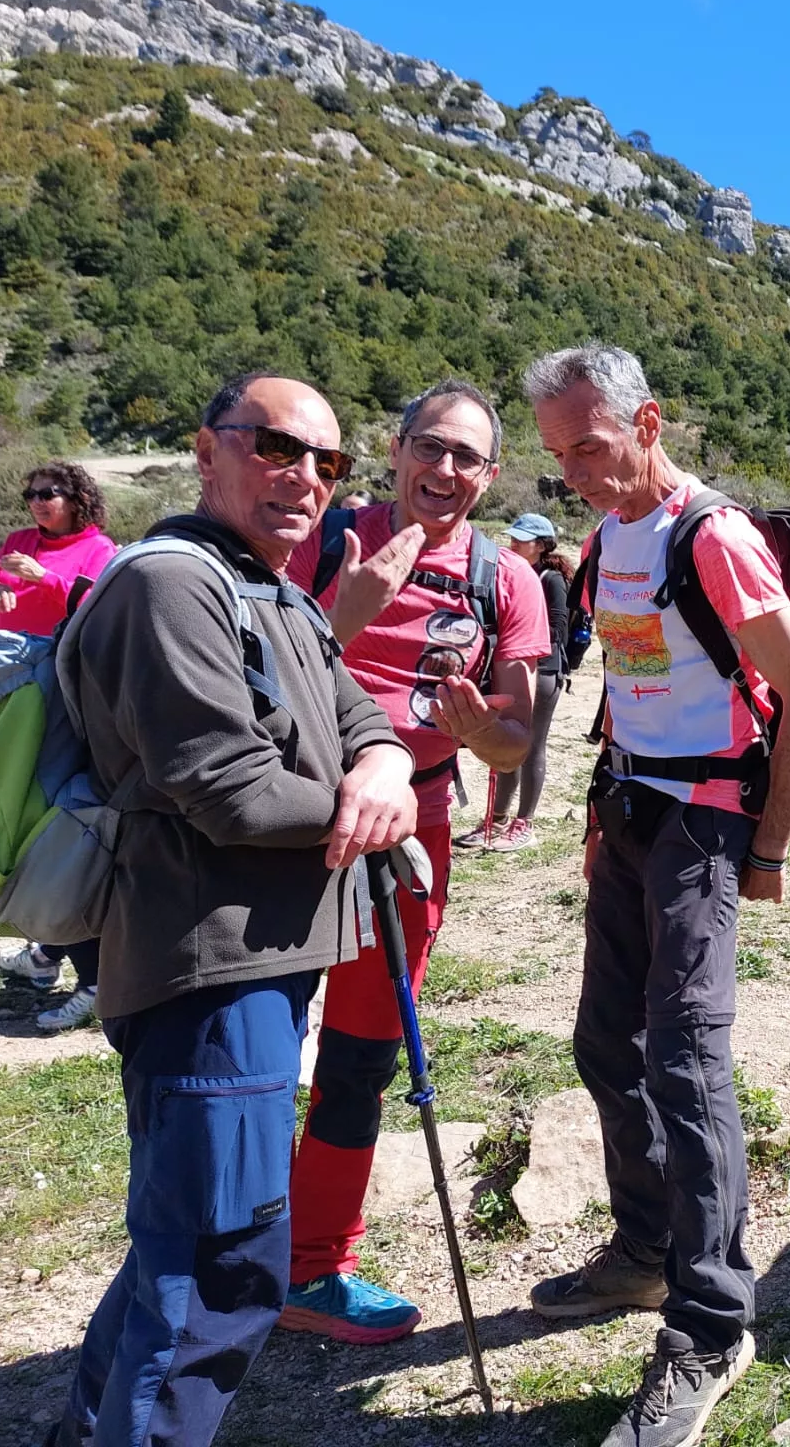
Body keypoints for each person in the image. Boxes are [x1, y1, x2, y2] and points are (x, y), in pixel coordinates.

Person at [51, 373, 417, 1445]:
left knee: (181, 1244)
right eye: (275, 447)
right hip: (206, 969)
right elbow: (227, 788)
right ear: (207, 451)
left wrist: (385, 767)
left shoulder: (276, 590)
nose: (304, 475)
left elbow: (358, 714)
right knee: (220, 1263)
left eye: (327, 462)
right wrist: (374, 813)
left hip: (258, 963)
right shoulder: (171, 586)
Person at [525, 343, 790, 1447]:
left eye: (591, 448)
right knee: (606, 1044)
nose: (576, 474)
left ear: (646, 422)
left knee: (684, 1060)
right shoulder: (605, 539)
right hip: (629, 812)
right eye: (559, 456)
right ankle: (647, 1254)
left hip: (705, 822)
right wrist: (601, 814)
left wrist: (770, 851)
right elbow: (633, 678)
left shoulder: (717, 539)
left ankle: (710, 1321)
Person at [276, 378, 548, 1345]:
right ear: (395, 450)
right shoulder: (322, 536)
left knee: (358, 1056)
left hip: (410, 842)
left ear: (491, 474)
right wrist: (343, 614)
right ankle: (228, 1249)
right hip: (278, 828)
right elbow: (245, 674)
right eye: (429, 448)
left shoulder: (505, 579)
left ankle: (316, 1269)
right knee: (252, 1048)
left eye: (466, 457)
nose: (444, 470)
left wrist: (485, 734)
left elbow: (516, 741)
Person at [0, 460, 121, 1031]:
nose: (39, 502)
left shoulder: (100, 548)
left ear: (79, 498)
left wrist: (45, 580)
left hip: (66, 689)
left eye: (51, 493)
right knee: (22, 814)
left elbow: (101, 606)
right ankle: (45, 955)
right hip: (14, 688)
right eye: (32, 493)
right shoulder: (17, 541)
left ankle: (88, 977)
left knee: (56, 814)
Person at [457, 512, 570, 852]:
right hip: (511, 669)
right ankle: (497, 818)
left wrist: (520, 638)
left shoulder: (551, 579)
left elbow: (558, 629)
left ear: (541, 545)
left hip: (544, 672)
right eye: (514, 537)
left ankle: (525, 823)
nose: (513, 542)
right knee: (505, 743)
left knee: (531, 745)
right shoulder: (512, 575)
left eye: (522, 539)